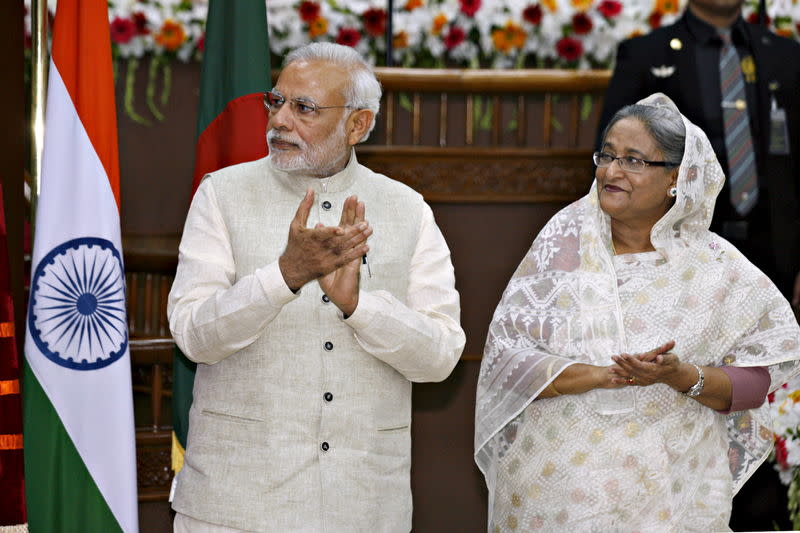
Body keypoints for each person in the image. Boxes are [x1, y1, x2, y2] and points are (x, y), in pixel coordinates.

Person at [168, 42, 466, 532]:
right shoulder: (221, 195)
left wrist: (358, 307)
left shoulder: (407, 209)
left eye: (303, 108)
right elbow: (194, 335)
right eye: (276, 101)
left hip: (363, 506)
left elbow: (440, 357)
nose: (280, 120)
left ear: (358, 125)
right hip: (237, 506)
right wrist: (283, 276)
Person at [475, 93, 800, 532]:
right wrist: (597, 375)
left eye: (633, 160)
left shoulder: (717, 267)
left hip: (670, 492)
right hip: (556, 493)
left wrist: (679, 375)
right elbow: (506, 361)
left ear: (676, 178)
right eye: (606, 155)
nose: (611, 171)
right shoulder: (564, 243)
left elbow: (755, 385)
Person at [598, 0, 800, 303]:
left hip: (776, 252)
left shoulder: (786, 56)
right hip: (677, 254)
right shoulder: (646, 55)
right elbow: (613, 163)